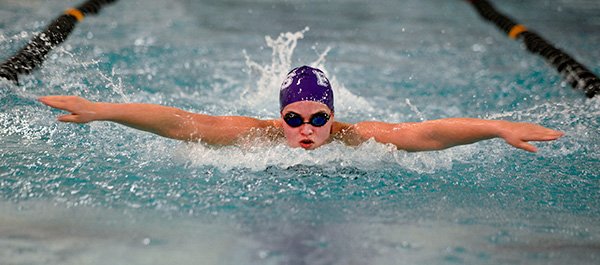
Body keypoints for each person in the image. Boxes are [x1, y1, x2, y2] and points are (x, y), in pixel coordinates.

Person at [39, 65, 563, 152]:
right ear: (280, 118)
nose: (307, 129)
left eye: (318, 119)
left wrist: (496, 128)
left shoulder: (361, 138)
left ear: (334, 117)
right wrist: (104, 109)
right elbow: (180, 122)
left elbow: (428, 134)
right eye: (295, 119)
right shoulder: (256, 136)